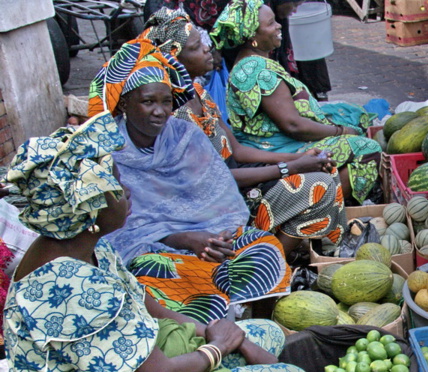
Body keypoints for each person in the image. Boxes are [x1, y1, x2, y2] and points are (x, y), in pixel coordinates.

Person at [2, 113, 302, 371]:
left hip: (156, 355)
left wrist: (233, 339)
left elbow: (156, 310)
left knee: (266, 334)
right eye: (118, 187)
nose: (129, 192)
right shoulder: (72, 288)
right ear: (89, 205)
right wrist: (220, 346)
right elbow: (157, 369)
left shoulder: (88, 244)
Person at [87, 39, 296, 324]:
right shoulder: (107, 152)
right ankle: (205, 338)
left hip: (207, 237)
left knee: (264, 246)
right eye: (148, 101)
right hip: (144, 250)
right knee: (164, 277)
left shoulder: (186, 136)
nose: (160, 111)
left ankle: (259, 325)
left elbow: (216, 198)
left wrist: (215, 239)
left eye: (165, 101)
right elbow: (116, 230)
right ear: (124, 103)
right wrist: (184, 239)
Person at [139, 7, 345, 258]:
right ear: (173, 61)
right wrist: (291, 168)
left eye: (201, 42)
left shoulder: (198, 94)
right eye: (194, 48)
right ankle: (271, 262)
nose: (206, 49)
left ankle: (305, 251)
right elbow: (211, 180)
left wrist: (301, 160)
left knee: (322, 168)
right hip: (213, 205)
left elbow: (238, 150)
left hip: (235, 182)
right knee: (319, 185)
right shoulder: (173, 116)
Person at [211, 0, 383, 205]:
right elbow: (293, 125)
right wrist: (342, 131)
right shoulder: (259, 71)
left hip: (272, 145)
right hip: (279, 151)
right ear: (252, 37)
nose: (279, 26)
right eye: (271, 24)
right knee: (367, 147)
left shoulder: (248, 63)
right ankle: (323, 205)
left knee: (351, 117)